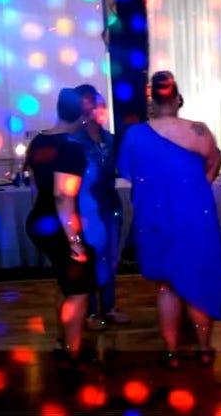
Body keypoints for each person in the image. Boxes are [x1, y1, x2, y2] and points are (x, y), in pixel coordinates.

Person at [117, 71, 221, 368]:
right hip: (194, 216)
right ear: (178, 99)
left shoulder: (135, 135)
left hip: (154, 216)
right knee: (198, 280)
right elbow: (214, 161)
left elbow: (130, 174)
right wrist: (198, 186)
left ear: (151, 102)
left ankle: (172, 353)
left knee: (166, 286)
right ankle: (204, 349)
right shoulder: (198, 131)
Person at [25, 88, 95, 363]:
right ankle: (73, 353)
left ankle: (61, 341)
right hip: (60, 225)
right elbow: (62, 195)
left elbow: (37, 185)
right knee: (78, 291)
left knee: (65, 284)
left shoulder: (40, 140)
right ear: (81, 115)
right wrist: (75, 242)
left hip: (40, 219)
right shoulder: (71, 148)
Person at [72, 84, 129, 331]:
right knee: (93, 259)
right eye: (97, 105)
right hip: (87, 209)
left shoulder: (110, 139)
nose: (102, 110)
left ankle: (109, 306)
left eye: (103, 105)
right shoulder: (75, 141)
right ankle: (93, 312)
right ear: (85, 110)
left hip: (111, 205)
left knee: (112, 258)